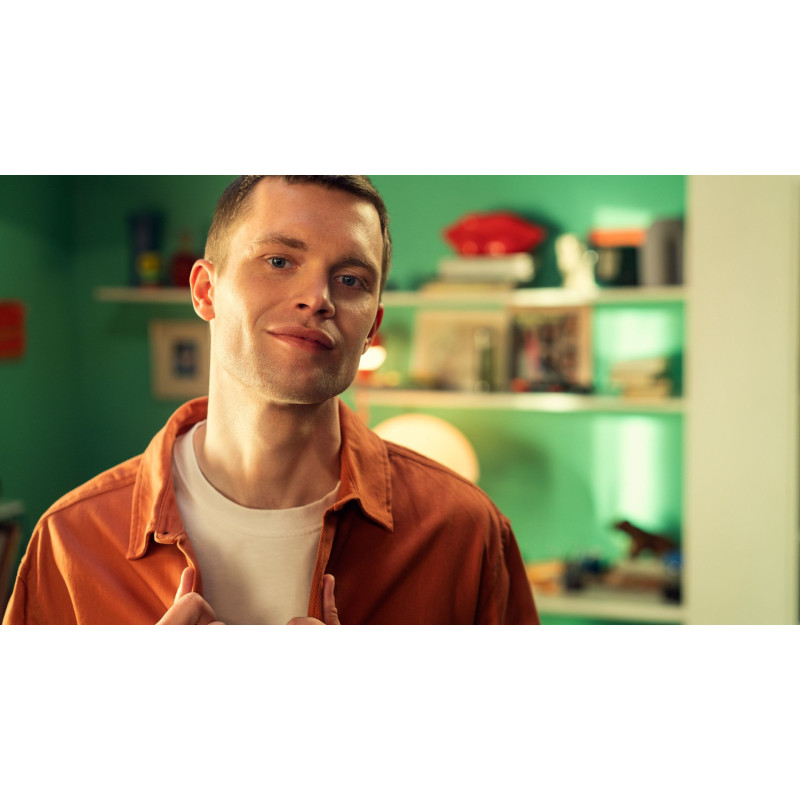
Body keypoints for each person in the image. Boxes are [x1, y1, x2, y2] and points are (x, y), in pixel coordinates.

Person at [3, 176, 539, 625]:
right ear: (205, 291)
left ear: (371, 328)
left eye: (350, 279)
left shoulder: (467, 533)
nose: (318, 298)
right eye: (279, 261)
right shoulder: (70, 542)